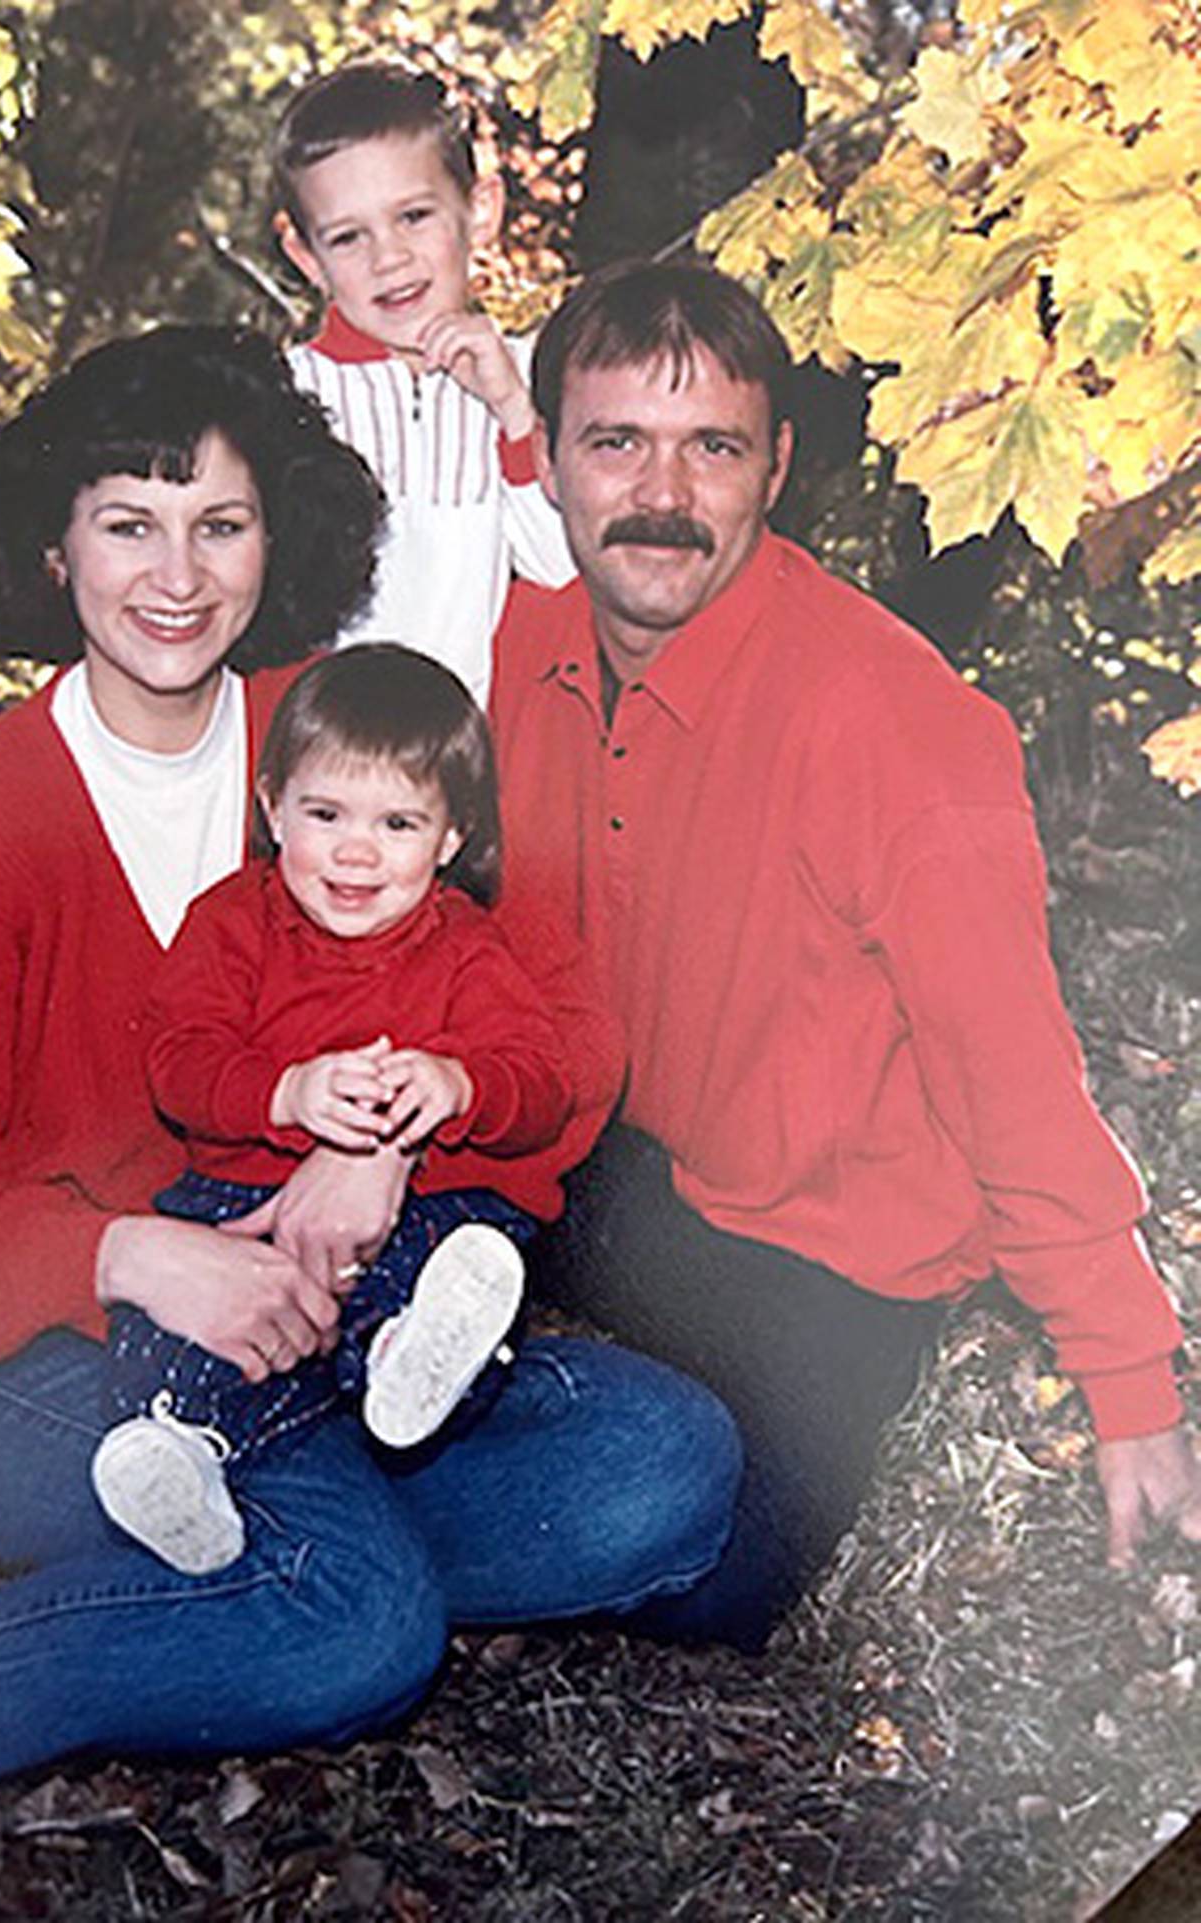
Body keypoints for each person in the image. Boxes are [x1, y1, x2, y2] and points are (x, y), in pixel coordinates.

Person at [0, 321, 738, 1844]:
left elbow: (557, 1033)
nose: (177, 574)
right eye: (130, 524)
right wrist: (144, 1250)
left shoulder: (334, 747)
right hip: (55, 1354)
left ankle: (253, 1554)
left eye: (221, 524)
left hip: (330, 1312)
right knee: (359, 1626)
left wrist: (403, 1141)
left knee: (671, 1458)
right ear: (56, 547)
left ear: (276, 539)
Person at [490, 259, 1201, 1654]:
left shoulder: (889, 722)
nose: (662, 494)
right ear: (550, 456)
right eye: (617, 440)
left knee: (714, 1582)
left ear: (778, 467)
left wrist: (1134, 1387)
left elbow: (1016, 1080)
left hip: (831, 1262)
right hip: (614, 1167)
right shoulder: (506, 651)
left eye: (715, 447)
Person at [93, 643, 595, 1575]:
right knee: (185, 1319)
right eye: (326, 814)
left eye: (399, 822)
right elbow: (180, 1061)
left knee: (460, 1251)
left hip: (424, 1209)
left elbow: (541, 1084)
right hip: (243, 1198)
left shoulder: (466, 952)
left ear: (450, 840)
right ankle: (184, 1448)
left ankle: (409, 1352)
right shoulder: (232, 925)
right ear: (272, 805)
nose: (356, 851)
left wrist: (457, 1084)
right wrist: (285, 1092)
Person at [275, 60, 574, 703]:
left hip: (460, 760)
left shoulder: (527, 378)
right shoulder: (286, 398)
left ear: (481, 211)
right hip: (318, 756)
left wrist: (513, 413)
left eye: (413, 217)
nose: (389, 259)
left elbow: (561, 567)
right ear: (307, 258)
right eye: (349, 237)